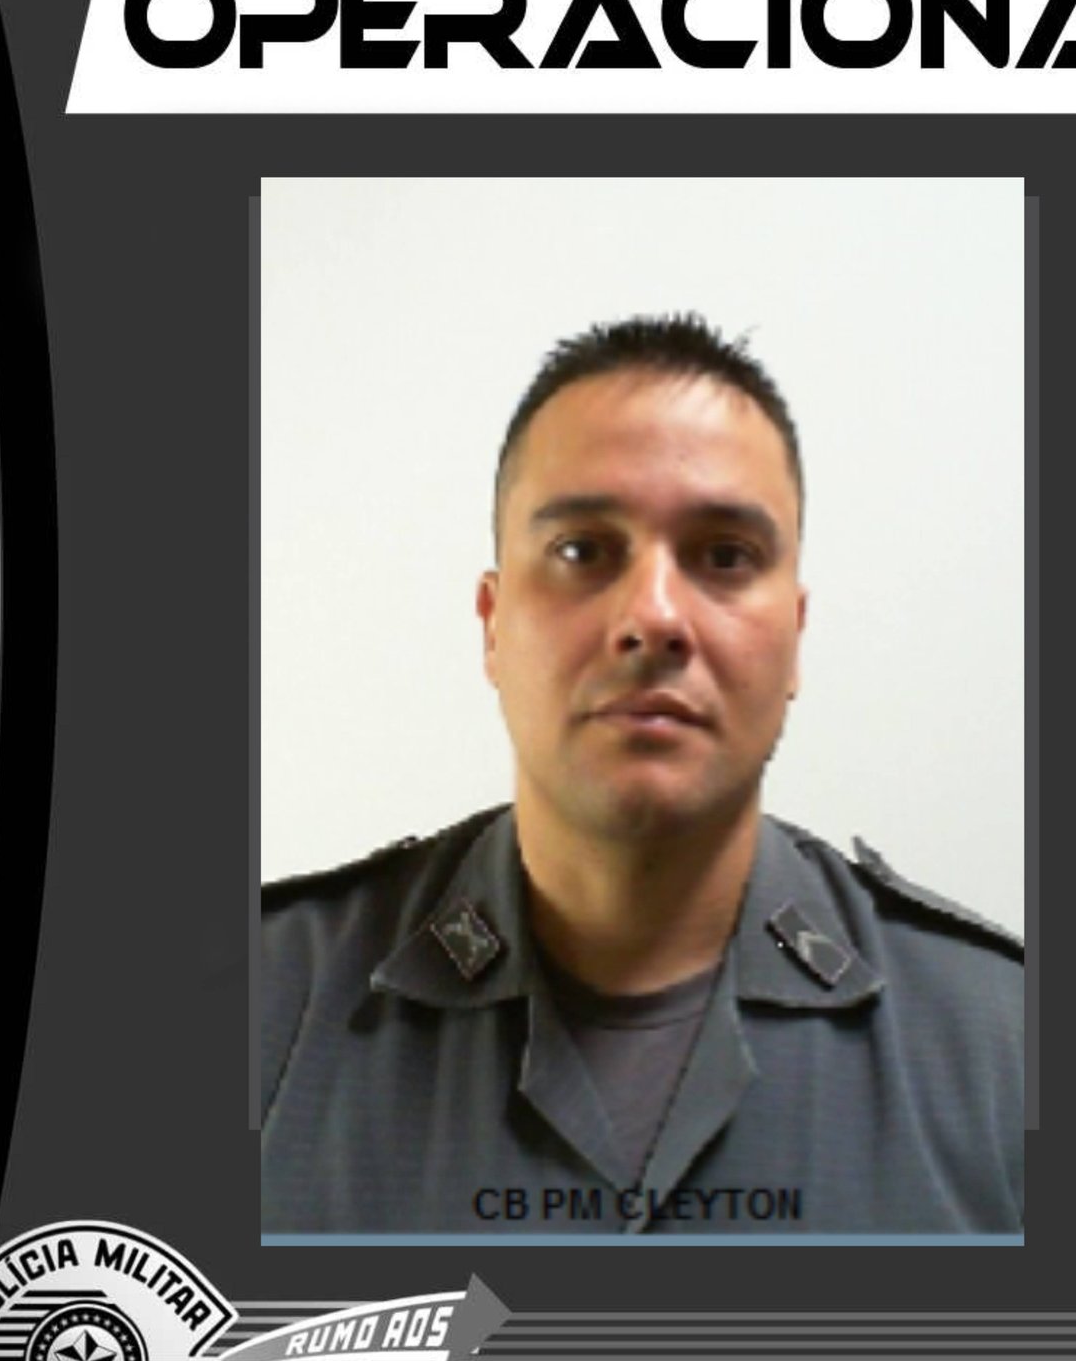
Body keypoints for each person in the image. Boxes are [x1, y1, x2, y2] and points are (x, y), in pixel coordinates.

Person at [260, 316, 1022, 1235]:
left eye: (725, 556)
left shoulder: (1002, 1047)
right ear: (493, 626)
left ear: (795, 638)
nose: (654, 617)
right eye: (582, 550)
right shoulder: (265, 1006)